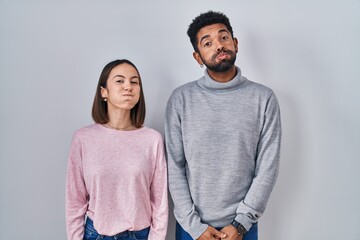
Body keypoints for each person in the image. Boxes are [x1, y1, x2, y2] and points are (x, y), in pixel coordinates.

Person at [165, 11, 282, 240]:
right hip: (192, 229)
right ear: (198, 57)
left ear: (235, 44)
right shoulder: (180, 100)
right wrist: (194, 227)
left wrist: (240, 224)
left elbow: (267, 167)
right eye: (207, 43)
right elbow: (174, 167)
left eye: (224, 37)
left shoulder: (263, 99)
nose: (218, 45)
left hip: (242, 228)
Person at [66, 59, 168, 240]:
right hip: (95, 234)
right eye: (120, 81)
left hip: (140, 235)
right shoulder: (83, 139)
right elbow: (75, 200)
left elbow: (159, 203)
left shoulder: (152, 140)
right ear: (104, 92)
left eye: (134, 82)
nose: (128, 87)